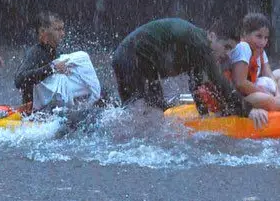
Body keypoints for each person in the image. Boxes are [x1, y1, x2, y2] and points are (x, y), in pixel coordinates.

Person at [111, 17, 269, 128]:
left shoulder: (196, 48)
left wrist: (204, 117)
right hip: (130, 58)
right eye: (226, 47)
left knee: (150, 111)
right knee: (141, 112)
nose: (227, 54)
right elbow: (220, 83)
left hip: (140, 61)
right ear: (212, 36)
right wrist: (249, 111)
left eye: (231, 50)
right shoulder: (200, 44)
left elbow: (196, 84)